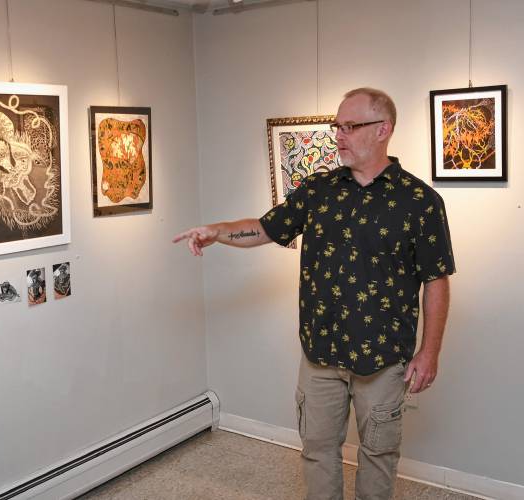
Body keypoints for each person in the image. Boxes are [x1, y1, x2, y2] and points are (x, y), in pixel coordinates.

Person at [173, 88, 455, 500]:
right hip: (320, 352)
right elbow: (268, 228)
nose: (339, 135)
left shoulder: (420, 202)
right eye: (336, 126)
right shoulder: (318, 189)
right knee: (318, 451)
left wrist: (429, 352)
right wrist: (217, 232)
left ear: (383, 130)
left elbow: (436, 279)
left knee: (378, 453)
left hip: (382, 357)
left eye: (350, 126)